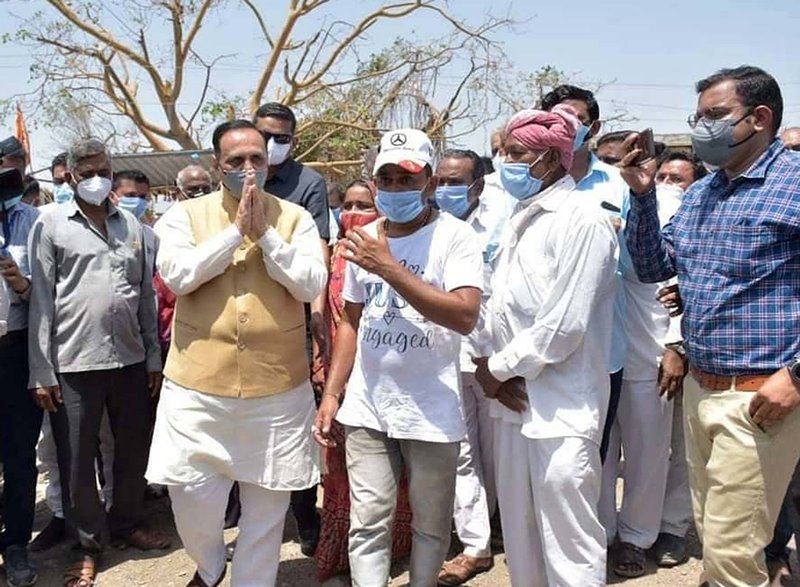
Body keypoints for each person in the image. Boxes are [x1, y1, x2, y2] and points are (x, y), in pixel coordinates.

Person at [623, 65, 800, 587]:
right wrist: (640, 195)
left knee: (731, 551)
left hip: (763, 397)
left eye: (715, 116)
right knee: (719, 538)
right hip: (701, 391)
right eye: (697, 117)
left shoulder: (794, 187)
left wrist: (796, 375)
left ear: (760, 117)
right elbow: (652, 266)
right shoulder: (703, 194)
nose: (702, 128)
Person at [146, 119, 327, 587]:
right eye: (236, 161)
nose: (248, 169)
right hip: (197, 391)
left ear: (268, 163)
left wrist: (265, 235)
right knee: (191, 497)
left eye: (257, 160)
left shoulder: (294, 218)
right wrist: (233, 235)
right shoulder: (182, 217)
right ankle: (210, 565)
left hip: (277, 392)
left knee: (267, 514)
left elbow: (310, 284)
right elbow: (180, 277)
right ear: (216, 164)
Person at [313, 128, 483, 587]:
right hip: (369, 406)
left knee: (430, 525)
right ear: (372, 184)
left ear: (428, 182)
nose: (394, 189)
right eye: (384, 179)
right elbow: (350, 321)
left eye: (406, 179)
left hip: (430, 408)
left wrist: (388, 267)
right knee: (368, 522)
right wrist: (332, 394)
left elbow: (465, 315)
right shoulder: (362, 238)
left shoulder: (455, 237)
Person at [475, 105, 618, 587]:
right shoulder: (521, 216)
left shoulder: (582, 220)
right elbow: (501, 307)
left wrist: (497, 369)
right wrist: (488, 368)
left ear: (553, 159)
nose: (505, 162)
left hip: (563, 407)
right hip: (513, 404)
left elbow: (564, 325)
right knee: (521, 539)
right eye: (503, 152)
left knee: (569, 545)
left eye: (517, 153)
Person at [27, 138, 168, 587]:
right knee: (77, 460)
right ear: (69, 176)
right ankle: (88, 544)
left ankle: (126, 525)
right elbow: (43, 304)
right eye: (86, 172)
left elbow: (144, 296)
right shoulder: (51, 225)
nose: (96, 179)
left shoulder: (131, 227)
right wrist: (41, 370)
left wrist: (151, 358)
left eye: (102, 170)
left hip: (128, 360)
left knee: (131, 452)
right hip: (73, 363)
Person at [313, 179, 414, 582]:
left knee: (395, 473)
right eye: (348, 205)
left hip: (385, 376)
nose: (354, 212)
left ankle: (394, 550)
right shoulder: (330, 256)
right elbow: (318, 315)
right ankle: (342, 556)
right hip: (340, 377)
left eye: (364, 205)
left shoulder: (394, 254)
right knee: (342, 470)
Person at [254, 102, 331, 555]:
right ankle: (250, 518)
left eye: (281, 137)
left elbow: (317, 257)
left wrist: (317, 321)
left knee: (295, 421)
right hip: (240, 320)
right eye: (264, 134)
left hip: (292, 319)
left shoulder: (308, 184)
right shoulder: (234, 178)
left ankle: (305, 517)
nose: (270, 145)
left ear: (293, 141)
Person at [598, 180, 684, 578]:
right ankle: (599, 535)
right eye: (611, 159)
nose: (620, 167)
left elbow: (682, 278)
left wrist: (674, 345)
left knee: (647, 453)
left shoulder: (665, 202)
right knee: (596, 452)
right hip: (596, 351)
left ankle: (636, 537)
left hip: (648, 349)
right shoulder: (587, 197)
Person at [541, 84, 629, 464]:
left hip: (601, 347)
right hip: (535, 347)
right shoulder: (523, 181)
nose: (568, 125)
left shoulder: (619, 184)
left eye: (577, 119)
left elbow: (638, 261)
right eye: (558, 118)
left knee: (585, 458)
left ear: (593, 127)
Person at [433, 149, 507, 586]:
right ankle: (475, 545)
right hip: (444, 356)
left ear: (478, 185)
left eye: (454, 182)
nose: (444, 190)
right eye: (439, 181)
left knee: (500, 454)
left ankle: (499, 526)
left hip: (494, 358)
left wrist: (498, 361)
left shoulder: (504, 223)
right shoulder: (427, 227)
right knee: (462, 454)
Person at [650, 151, 707, 570]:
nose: (668, 185)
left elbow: (694, 292)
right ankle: (639, 526)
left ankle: (672, 528)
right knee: (644, 450)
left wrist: (677, 346)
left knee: (680, 449)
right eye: (662, 176)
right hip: (634, 353)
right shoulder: (647, 223)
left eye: (678, 179)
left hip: (682, 353)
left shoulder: (701, 225)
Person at [0, 136, 42, 587]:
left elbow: (47, 297)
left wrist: (22, 284)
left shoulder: (34, 223)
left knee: (18, 454)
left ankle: (16, 544)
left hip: (16, 353)